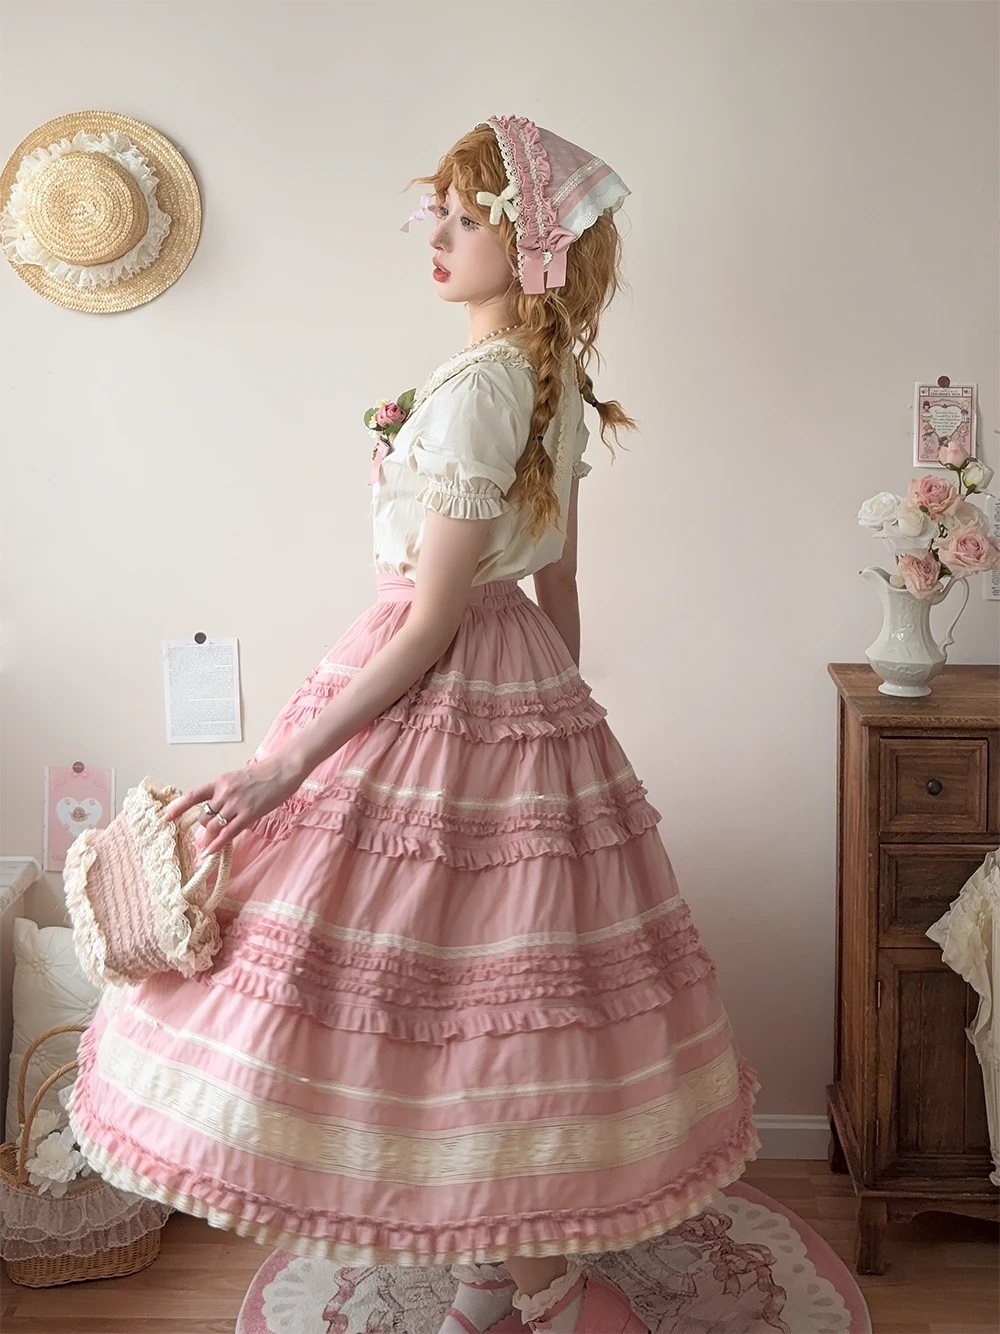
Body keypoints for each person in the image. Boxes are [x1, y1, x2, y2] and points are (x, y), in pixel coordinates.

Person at [67, 116, 758, 1334]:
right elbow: (559, 583)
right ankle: (492, 1279)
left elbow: (433, 615)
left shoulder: (485, 384)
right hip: (517, 674)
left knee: (427, 993)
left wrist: (290, 760)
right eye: (434, 214)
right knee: (489, 992)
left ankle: (530, 1291)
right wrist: (553, 729)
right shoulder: (553, 379)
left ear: (533, 249)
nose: (437, 237)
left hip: (433, 672)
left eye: (468, 218)